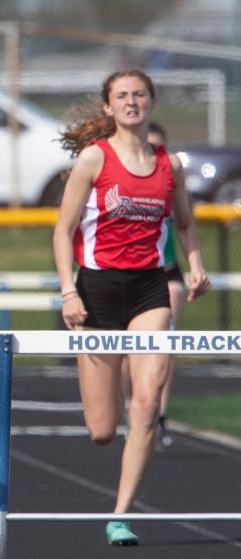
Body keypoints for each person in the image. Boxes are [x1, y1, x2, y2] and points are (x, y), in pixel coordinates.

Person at [54, 69, 210, 546]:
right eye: (121, 95)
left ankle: (121, 514)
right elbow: (62, 231)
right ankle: (110, 433)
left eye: (139, 94)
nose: (131, 102)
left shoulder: (170, 165)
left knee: (144, 406)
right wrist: (68, 292)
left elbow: (184, 224)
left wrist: (197, 265)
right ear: (108, 106)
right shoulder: (92, 161)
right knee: (102, 429)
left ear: (152, 101)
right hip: (97, 291)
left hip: (149, 290)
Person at [121, 121, 185, 450]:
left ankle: (158, 412)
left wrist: (197, 268)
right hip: (127, 276)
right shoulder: (119, 178)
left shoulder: (172, 178)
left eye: (158, 147)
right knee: (127, 351)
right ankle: (132, 403)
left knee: (162, 347)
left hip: (166, 273)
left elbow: (187, 225)